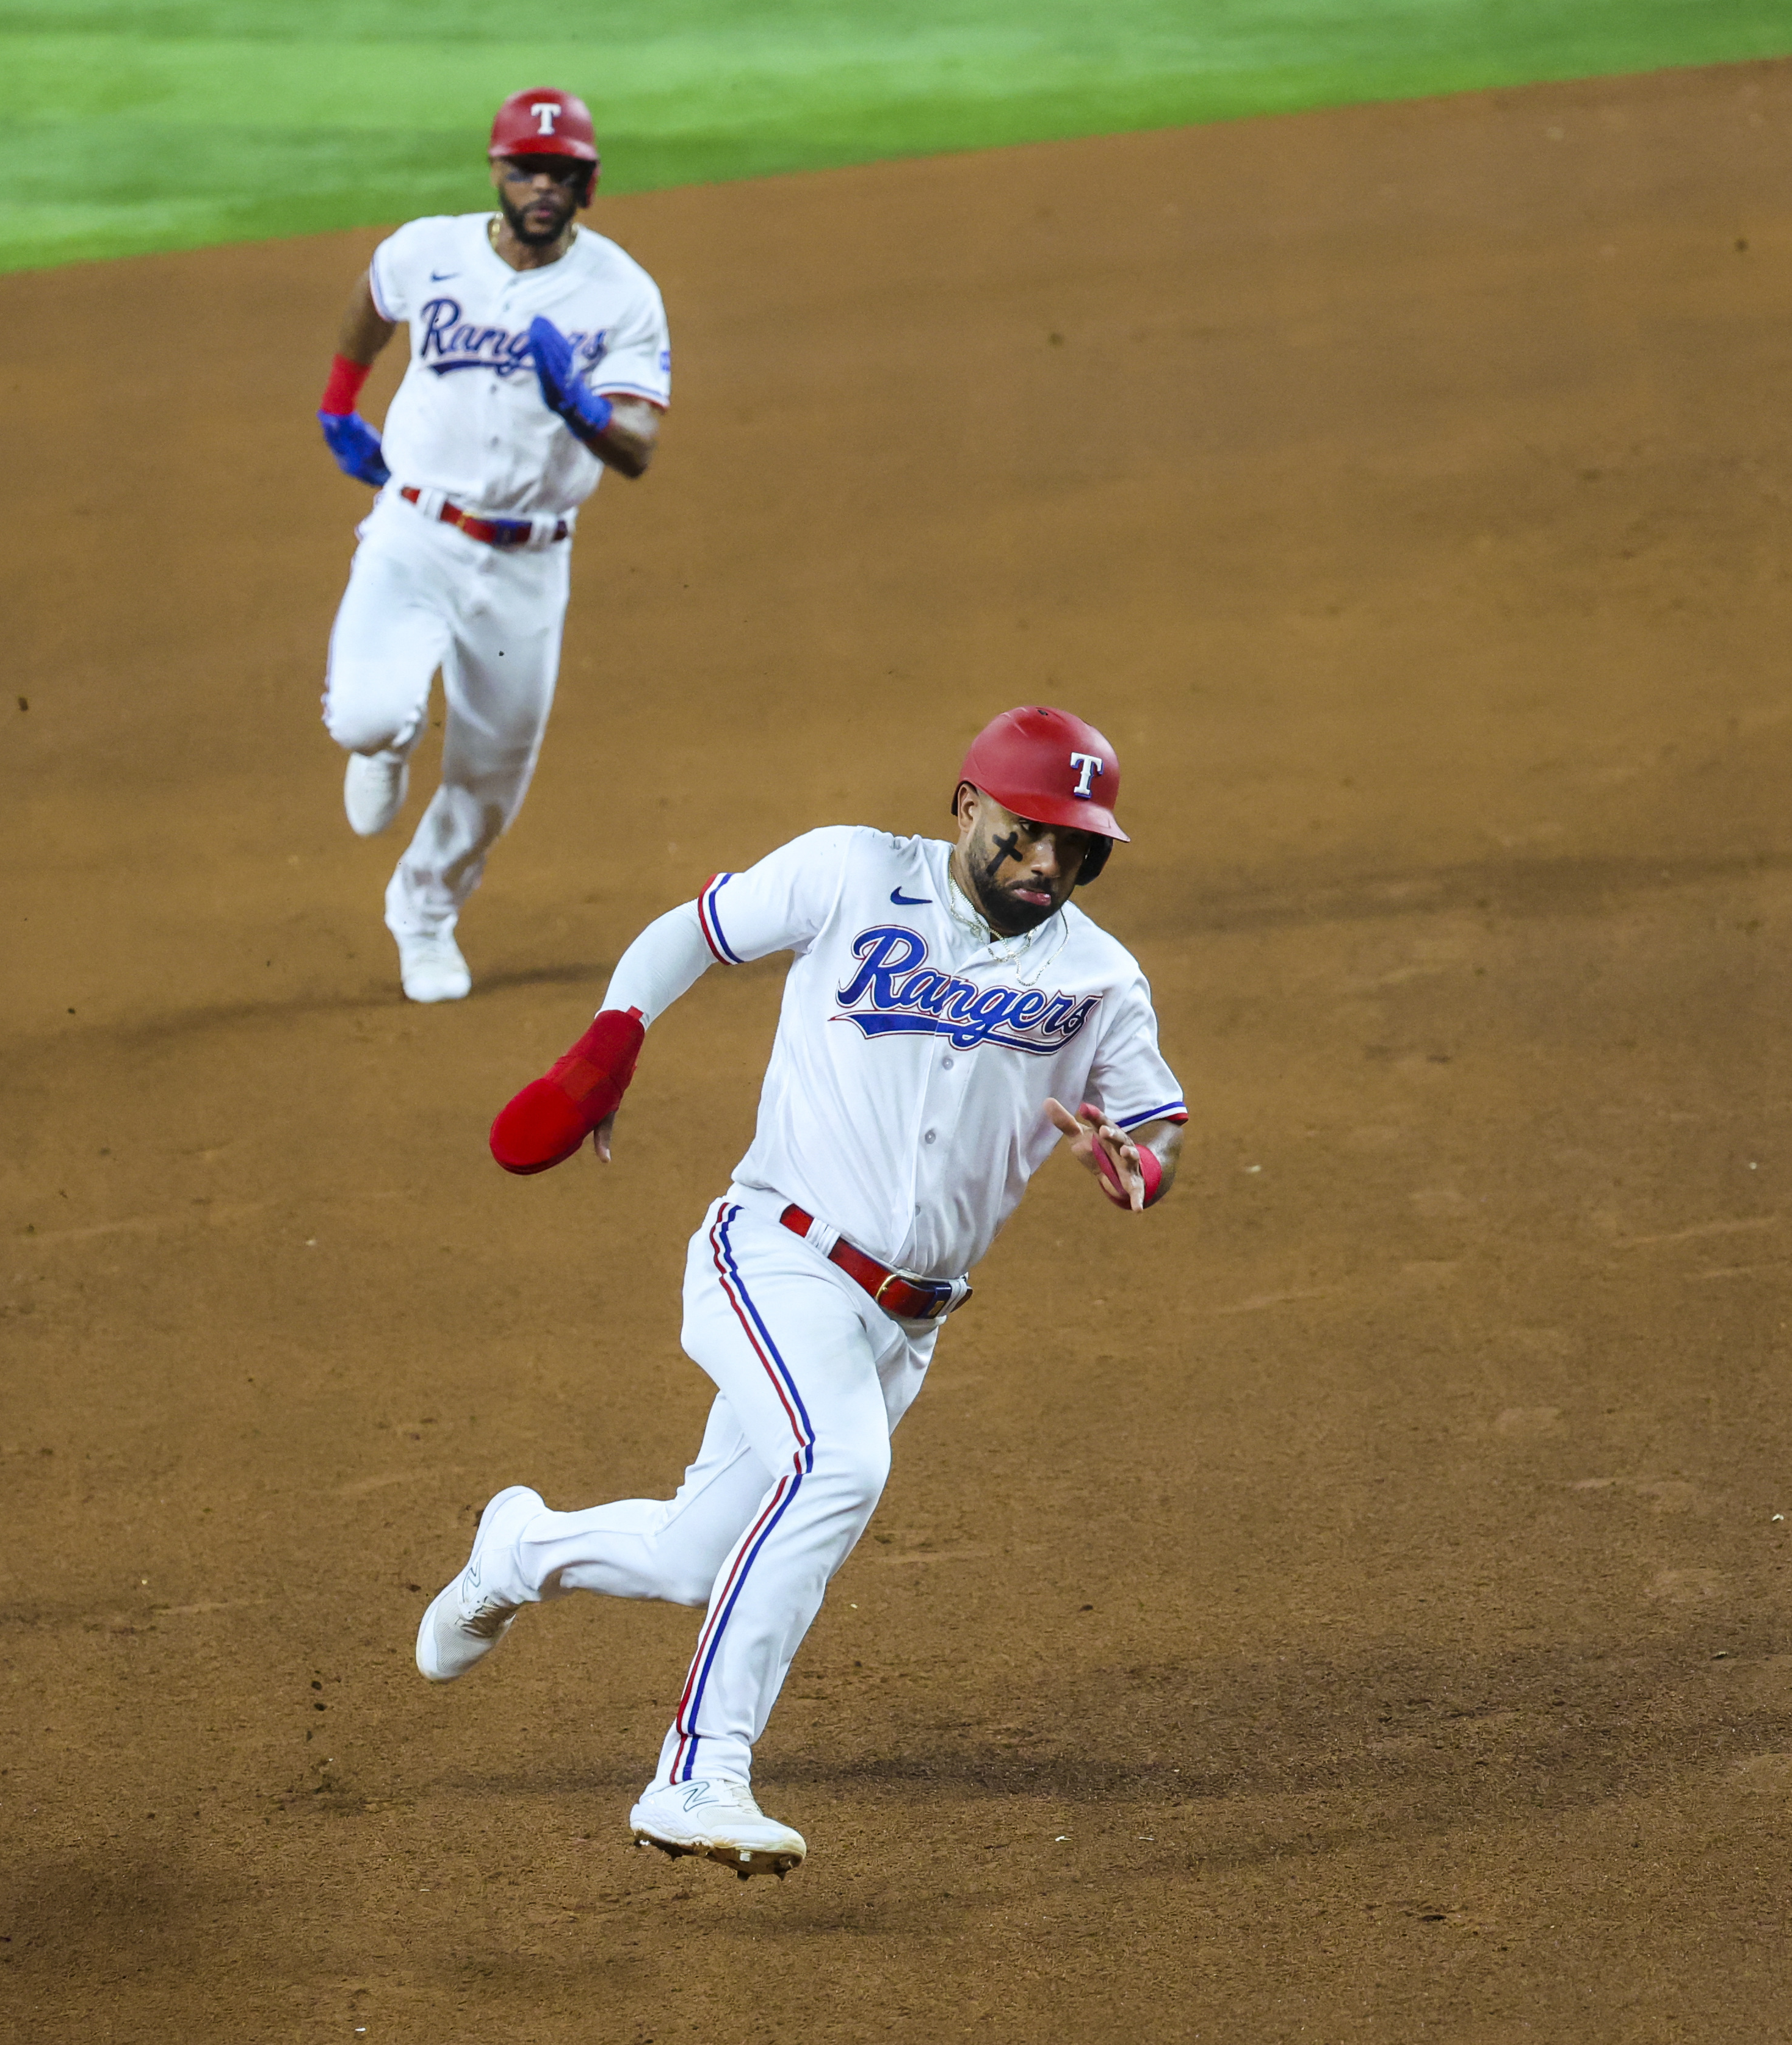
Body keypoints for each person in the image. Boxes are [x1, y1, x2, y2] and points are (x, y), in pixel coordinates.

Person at [413, 707, 1190, 1877]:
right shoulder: (850, 872)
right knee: (839, 1466)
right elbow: (694, 932)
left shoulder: (1098, 977)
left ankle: (520, 1550)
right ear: (966, 806)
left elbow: (1154, 1128)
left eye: (1076, 848)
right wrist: (604, 1051)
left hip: (906, 1323)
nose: (1046, 866)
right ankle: (697, 1775)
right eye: (1026, 835)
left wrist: (1138, 1169)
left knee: (691, 1557)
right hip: (775, 1257)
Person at [312, 87, 673, 1003]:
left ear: (587, 184)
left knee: (491, 774)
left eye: (560, 173)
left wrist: (583, 410)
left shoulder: (623, 294)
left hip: (528, 560)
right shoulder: (427, 249)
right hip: (414, 529)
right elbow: (374, 295)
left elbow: (634, 448)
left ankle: (423, 914)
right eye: (525, 170)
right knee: (363, 716)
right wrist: (340, 398)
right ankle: (387, 740)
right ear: (497, 174)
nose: (541, 187)